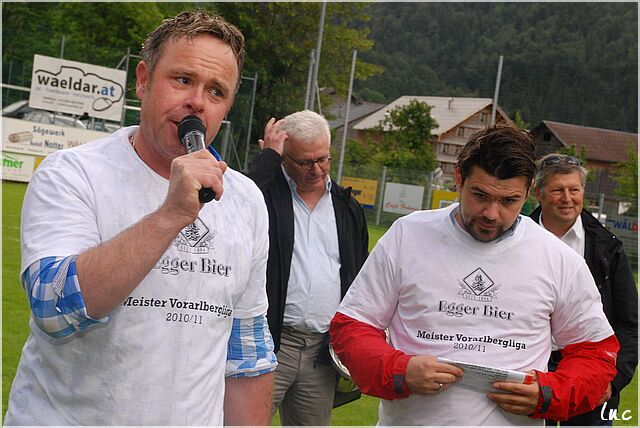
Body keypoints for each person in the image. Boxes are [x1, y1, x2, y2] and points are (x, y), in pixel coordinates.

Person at [5, 10, 276, 426]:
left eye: (216, 91)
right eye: (182, 79)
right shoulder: (72, 173)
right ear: (144, 79)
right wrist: (171, 214)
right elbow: (53, 310)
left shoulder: (246, 199)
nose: (197, 101)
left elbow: (247, 353)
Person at [329, 124, 620, 426]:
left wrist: (548, 394)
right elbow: (352, 326)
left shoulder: (558, 258)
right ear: (459, 178)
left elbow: (596, 353)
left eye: (508, 201)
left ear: (528, 192)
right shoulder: (408, 235)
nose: (491, 213)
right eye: (480, 195)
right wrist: (399, 370)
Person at [247, 110, 369, 425]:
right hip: (268, 343)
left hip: (321, 352)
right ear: (284, 158)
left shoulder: (347, 207)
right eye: (304, 162)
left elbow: (358, 279)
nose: (316, 169)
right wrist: (266, 161)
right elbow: (233, 203)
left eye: (323, 159)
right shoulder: (264, 196)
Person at [530, 153, 638, 426]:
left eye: (574, 190)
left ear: (583, 192)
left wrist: (613, 381)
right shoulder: (514, 241)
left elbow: (629, 322)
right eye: (558, 190)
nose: (567, 198)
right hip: (531, 368)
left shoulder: (608, 247)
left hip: (590, 369)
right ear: (538, 194)